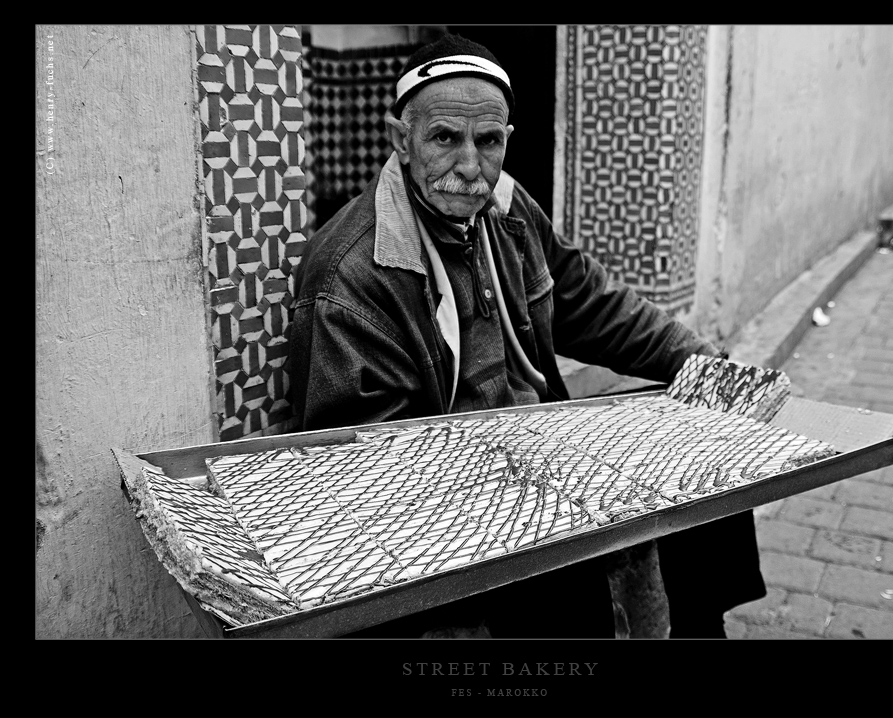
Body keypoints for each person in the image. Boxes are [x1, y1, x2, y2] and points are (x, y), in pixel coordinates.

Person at [287, 33, 765, 638]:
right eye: (444, 139)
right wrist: (554, 480)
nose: (469, 166)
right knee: (572, 581)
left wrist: (709, 364)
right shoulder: (349, 276)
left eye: (488, 142)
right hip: (453, 513)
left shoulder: (508, 210)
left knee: (711, 481)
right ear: (401, 142)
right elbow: (373, 472)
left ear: (506, 141)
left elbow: (594, 304)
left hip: (542, 458)